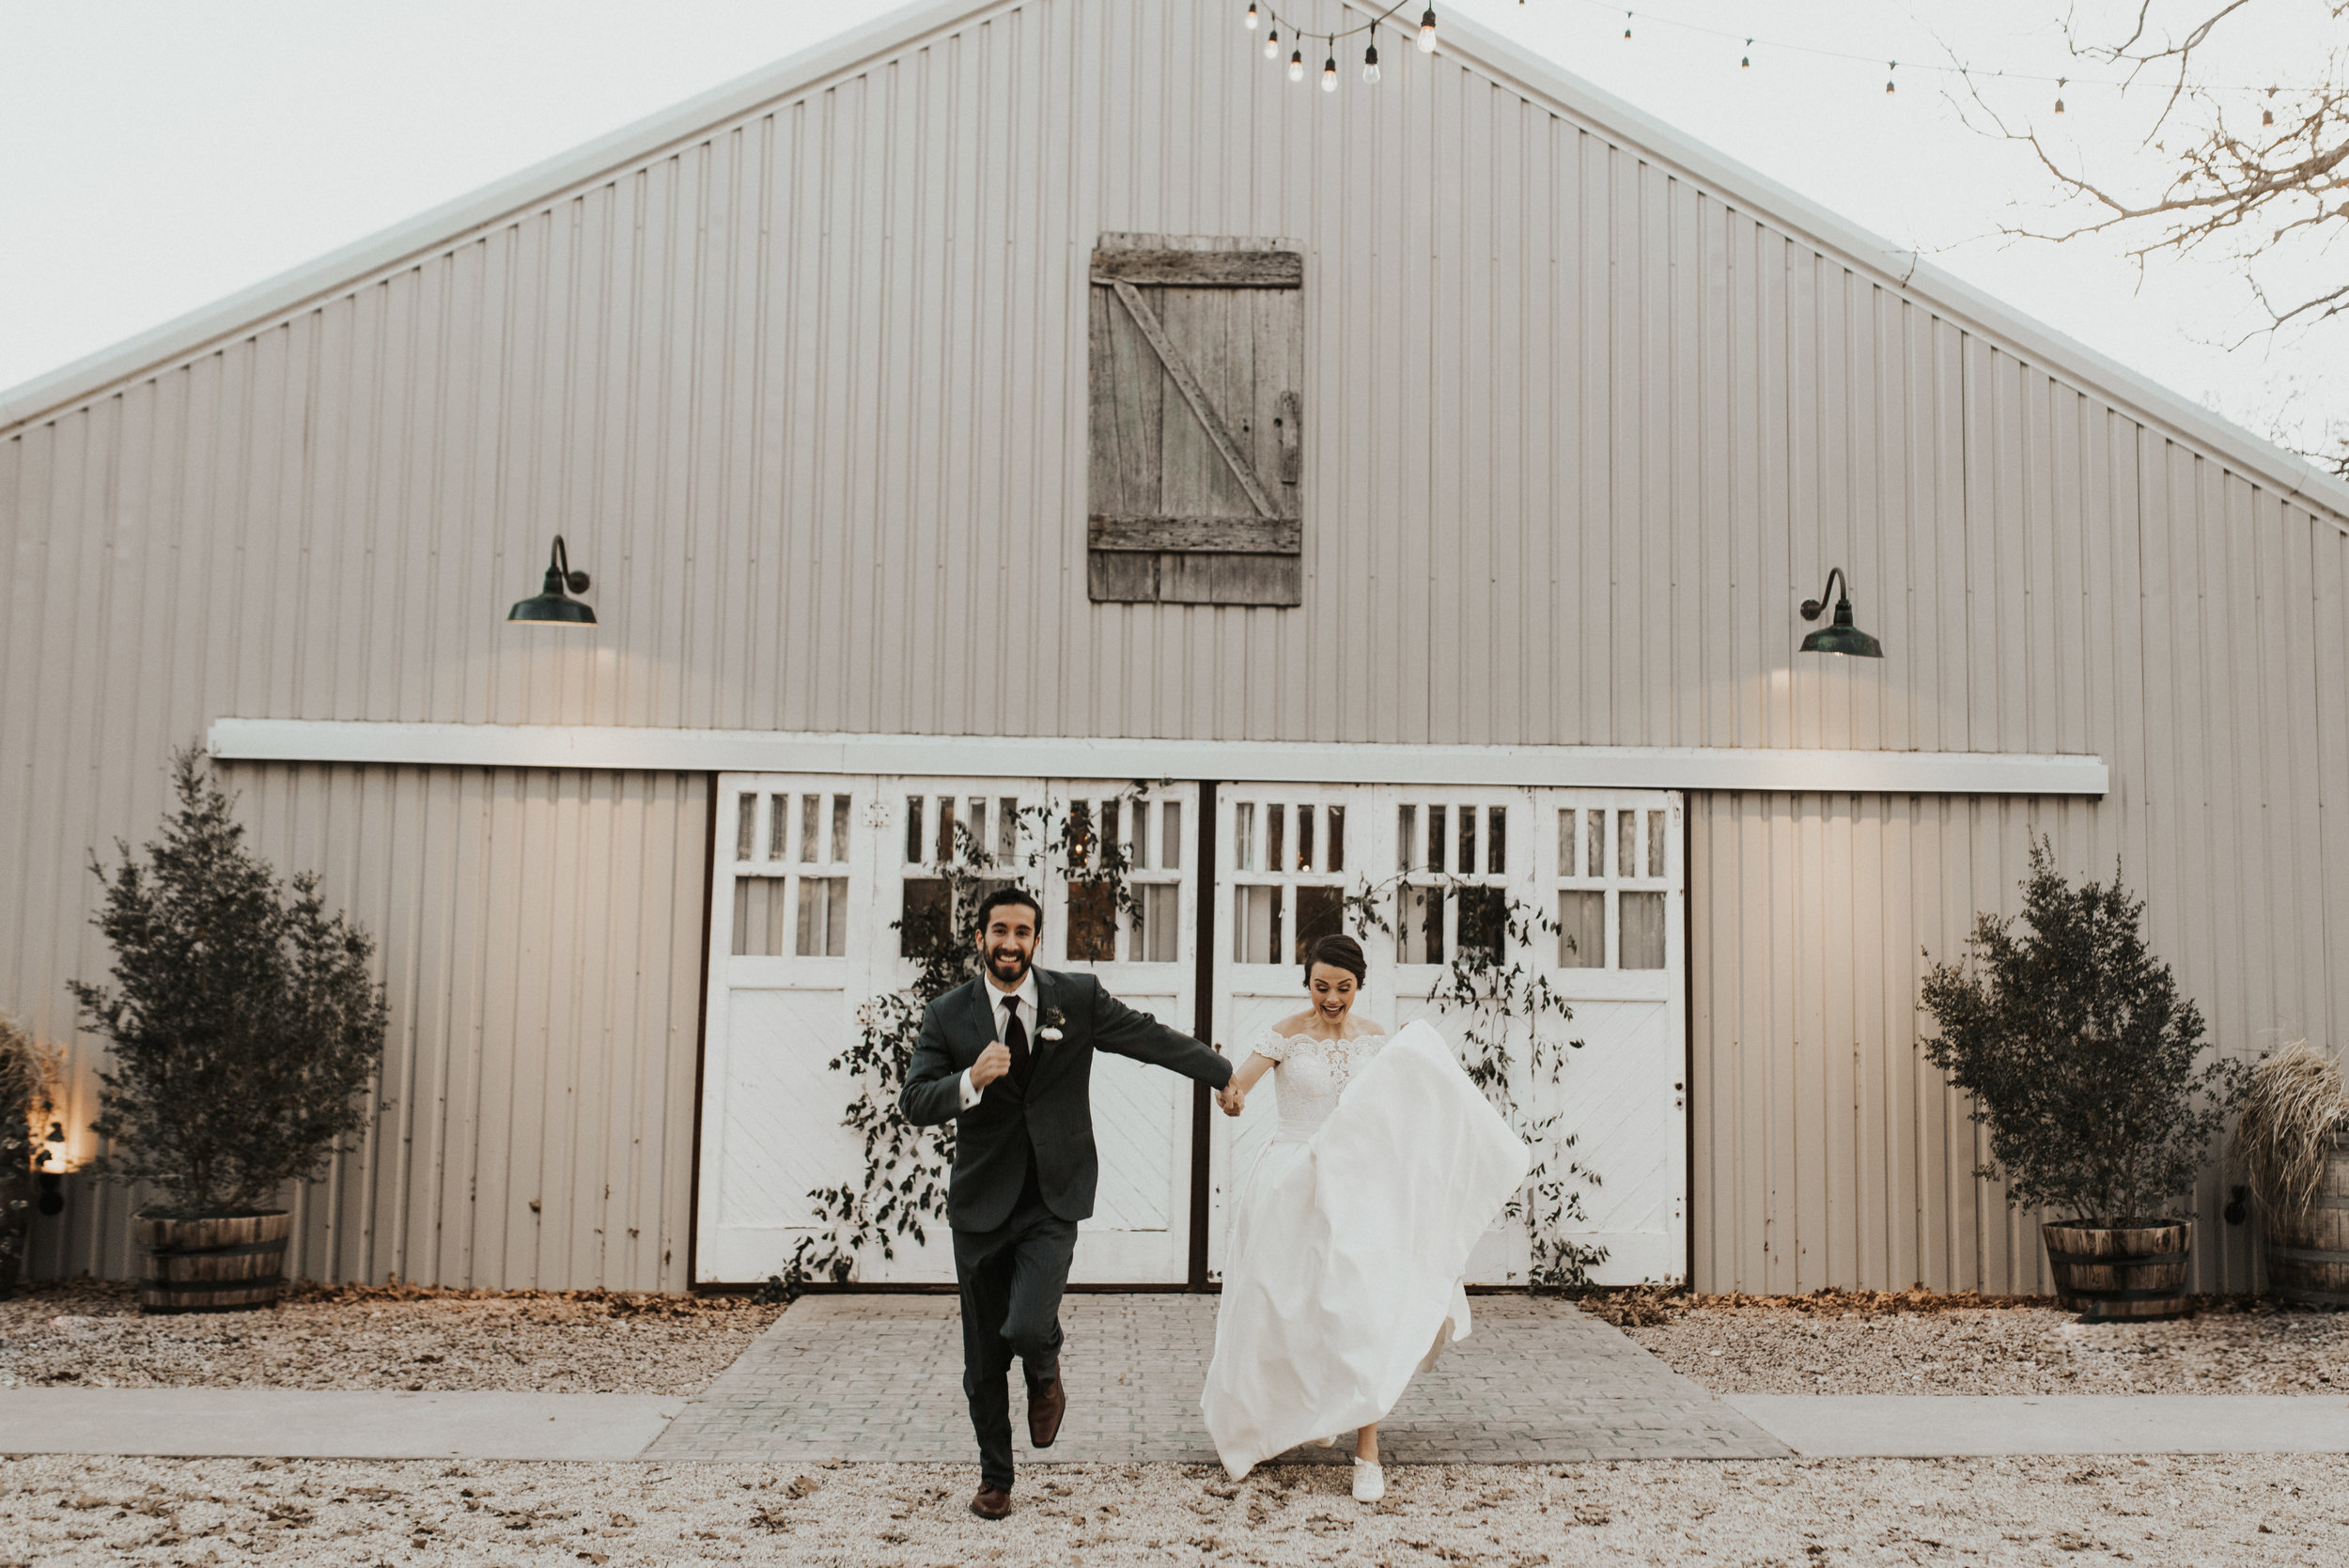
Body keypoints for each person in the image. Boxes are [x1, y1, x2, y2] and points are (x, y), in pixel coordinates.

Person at [900, 886, 1235, 1521]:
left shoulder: (1073, 998)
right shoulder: (948, 1015)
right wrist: (969, 1079)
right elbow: (914, 1100)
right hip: (980, 1203)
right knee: (983, 1359)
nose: (1010, 942)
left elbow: (1146, 1036)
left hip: (1054, 1194)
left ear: (1035, 939)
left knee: (1027, 1325)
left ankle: (1046, 1366)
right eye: (999, 930)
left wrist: (1220, 1072)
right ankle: (996, 1477)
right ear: (981, 938)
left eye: (1022, 932)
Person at [1201, 933, 1530, 1500]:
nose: (1332, 999)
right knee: (1280, 1307)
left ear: (1359, 987)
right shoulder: (1283, 1035)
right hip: (1289, 1182)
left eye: (1344, 989)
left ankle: (1367, 1449)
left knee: (1362, 1306)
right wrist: (1228, 1098)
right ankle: (1263, 1425)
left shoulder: (1377, 1041)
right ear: (1307, 983)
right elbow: (1239, 1088)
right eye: (1321, 987)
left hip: (1357, 1185)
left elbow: (1407, 1108)